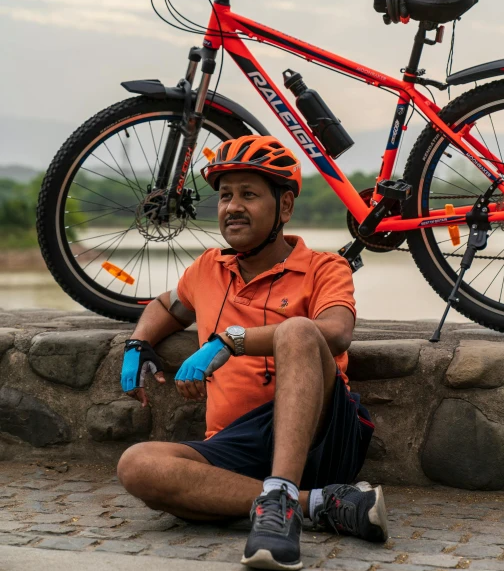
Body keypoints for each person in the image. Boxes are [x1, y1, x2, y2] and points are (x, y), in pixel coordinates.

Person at [117, 135, 387, 571]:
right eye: (225, 196)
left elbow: (336, 332)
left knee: (298, 332)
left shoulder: (324, 267)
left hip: (319, 434)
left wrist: (232, 340)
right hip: (236, 446)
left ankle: (280, 497)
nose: (232, 207)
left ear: (283, 207)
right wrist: (138, 343)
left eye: (249, 195)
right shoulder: (208, 268)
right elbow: (167, 306)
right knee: (137, 464)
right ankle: (317, 505)